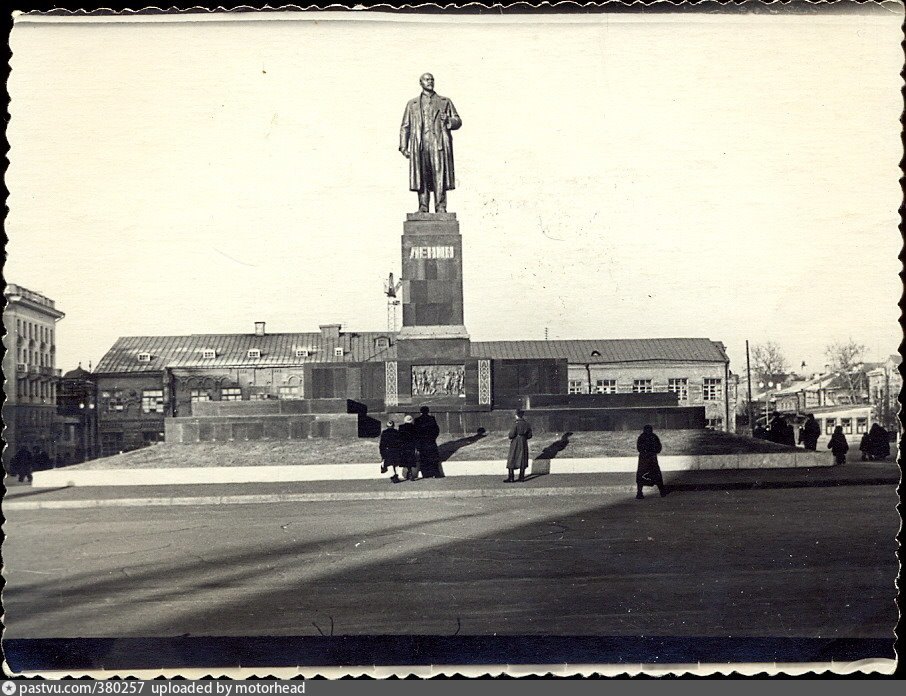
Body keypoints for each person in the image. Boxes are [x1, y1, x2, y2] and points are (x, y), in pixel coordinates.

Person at [399, 73, 462, 214]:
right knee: (422, 176)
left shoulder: (445, 101)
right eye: (427, 79)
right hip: (420, 144)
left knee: (439, 175)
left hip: (438, 144)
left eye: (432, 79)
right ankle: (423, 207)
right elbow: (405, 126)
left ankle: (440, 207)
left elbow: (458, 121)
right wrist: (404, 147)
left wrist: (449, 121)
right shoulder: (412, 104)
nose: (430, 82)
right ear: (420, 82)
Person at [636, 424, 667, 499]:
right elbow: (658, 448)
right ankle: (662, 492)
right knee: (656, 475)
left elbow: (639, 448)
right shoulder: (654, 437)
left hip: (643, 459)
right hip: (652, 459)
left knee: (641, 475)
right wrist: (653, 452)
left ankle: (639, 493)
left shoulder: (641, 437)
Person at [414, 406, 444, 478]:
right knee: (433, 457)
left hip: (422, 442)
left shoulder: (417, 420)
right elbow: (436, 430)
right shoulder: (432, 419)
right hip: (430, 441)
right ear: (428, 411)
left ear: (420, 412)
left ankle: (426, 474)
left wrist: (418, 441)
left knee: (424, 457)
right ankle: (436, 473)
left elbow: (415, 432)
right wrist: (433, 438)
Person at [504, 409, 533, 483]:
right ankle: (521, 477)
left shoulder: (515, 423)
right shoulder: (526, 423)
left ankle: (511, 477)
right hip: (523, 441)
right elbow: (530, 435)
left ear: (516, 415)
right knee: (522, 458)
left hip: (516, 441)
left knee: (512, 458)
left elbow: (511, 434)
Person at [398, 415, 419, 481]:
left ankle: (407, 473)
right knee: (411, 459)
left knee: (405, 459)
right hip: (411, 446)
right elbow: (416, 438)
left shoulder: (401, 427)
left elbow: (399, 437)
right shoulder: (414, 427)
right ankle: (410, 474)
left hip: (404, 446)